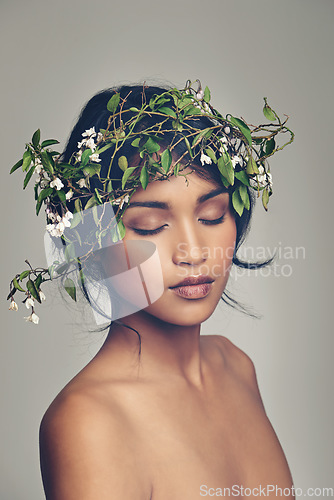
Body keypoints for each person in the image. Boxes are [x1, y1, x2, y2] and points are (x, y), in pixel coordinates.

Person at [8, 81, 295, 499]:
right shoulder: (87, 421)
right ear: (91, 236)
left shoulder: (236, 366)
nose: (193, 252)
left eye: (212, 215)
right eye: (149, 225)